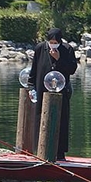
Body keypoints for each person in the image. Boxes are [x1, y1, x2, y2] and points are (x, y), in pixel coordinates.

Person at [28, 28, 78, 161]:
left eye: (56, 42)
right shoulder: (40, 48)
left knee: (61, 120)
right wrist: (31, 87)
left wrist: (59, 59)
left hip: (61, 91)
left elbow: (72, 69)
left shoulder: (67, 49)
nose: (53, 44)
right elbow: (34, 70)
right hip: (42, 90)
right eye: (51, 42)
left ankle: (60, 153)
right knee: (41, 119)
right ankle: (40, 150)